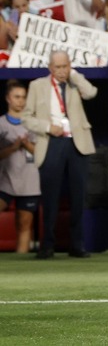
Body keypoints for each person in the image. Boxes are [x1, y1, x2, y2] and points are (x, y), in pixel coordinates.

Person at [22, 51, 98, 260]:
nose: (62, 71)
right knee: (50, 198)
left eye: (65, 66)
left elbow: (91, 92)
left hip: (77, 142)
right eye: (58, 67)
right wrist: (47, 127)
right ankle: (47, 245)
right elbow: (26, 117)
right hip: (51, 142)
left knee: (78, 197)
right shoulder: (38, 86)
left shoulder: (74, 83)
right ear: (50, 67)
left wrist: (74, 75)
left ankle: (77, 244)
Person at [0, 80, 39, 254]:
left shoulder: (34, 123)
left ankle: (21, 262)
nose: (20, 101)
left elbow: (43, 153)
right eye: (16, 97)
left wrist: (27, 145)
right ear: (8, 98)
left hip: (29, 182)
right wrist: (13, 148)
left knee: (24, 224)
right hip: (5, 181)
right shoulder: (1, 124)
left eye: (23, 97)